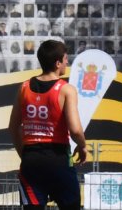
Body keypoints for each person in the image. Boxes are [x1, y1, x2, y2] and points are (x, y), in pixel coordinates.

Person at [8, 40, 88, 210]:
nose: (67, 62)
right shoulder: (66, 89)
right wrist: (83, 146)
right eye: (66, 59)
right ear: (57, 63)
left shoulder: (24, 88)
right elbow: (75, 130)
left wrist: (24, 153)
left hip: (31, 160)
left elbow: (13, 127)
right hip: (58, 158)